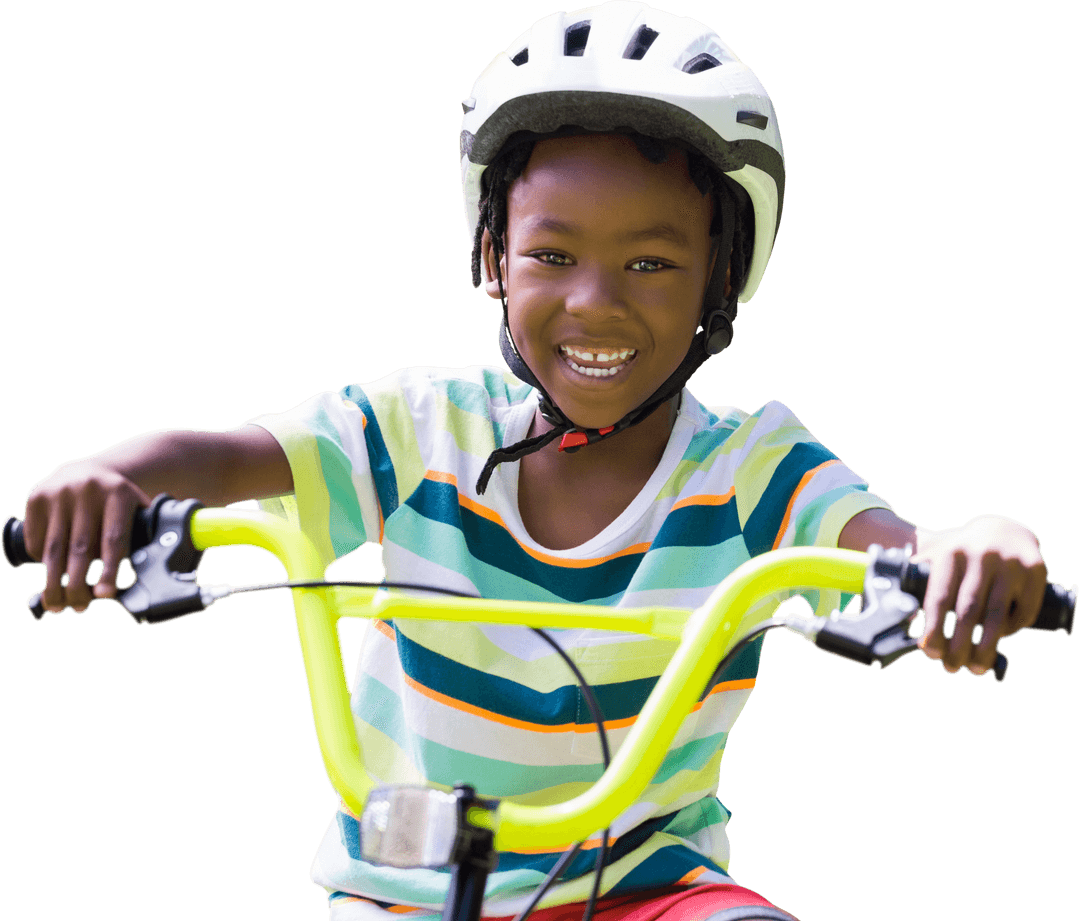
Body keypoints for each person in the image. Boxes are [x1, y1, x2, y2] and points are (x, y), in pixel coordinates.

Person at [16, 3, 1049, 920]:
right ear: (492, 259)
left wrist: (984, 551)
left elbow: (903, 545)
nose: (594, 301)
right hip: (407, 882)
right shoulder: (423, 431)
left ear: (721, 281)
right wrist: (109, 476)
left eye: (650, 262)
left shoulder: (748, 467)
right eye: (551, 256)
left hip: (650, 884)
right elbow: (235, 459)